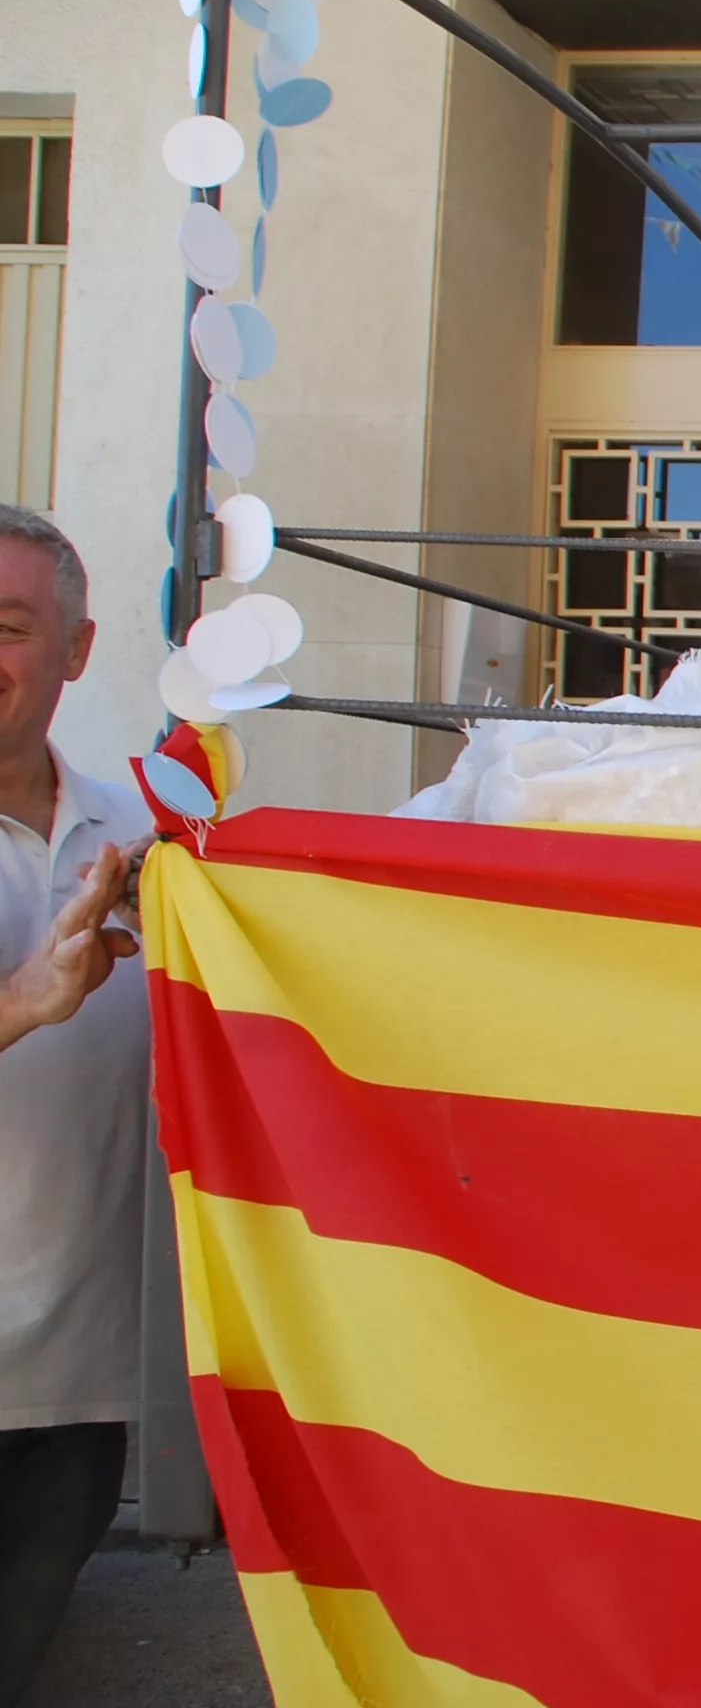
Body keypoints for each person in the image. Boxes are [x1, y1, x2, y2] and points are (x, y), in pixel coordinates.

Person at [0, 507, 155, 1708]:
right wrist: (24, 999)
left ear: (77, 649)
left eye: (9, 625)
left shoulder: (145, 841)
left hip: (73, 1393)